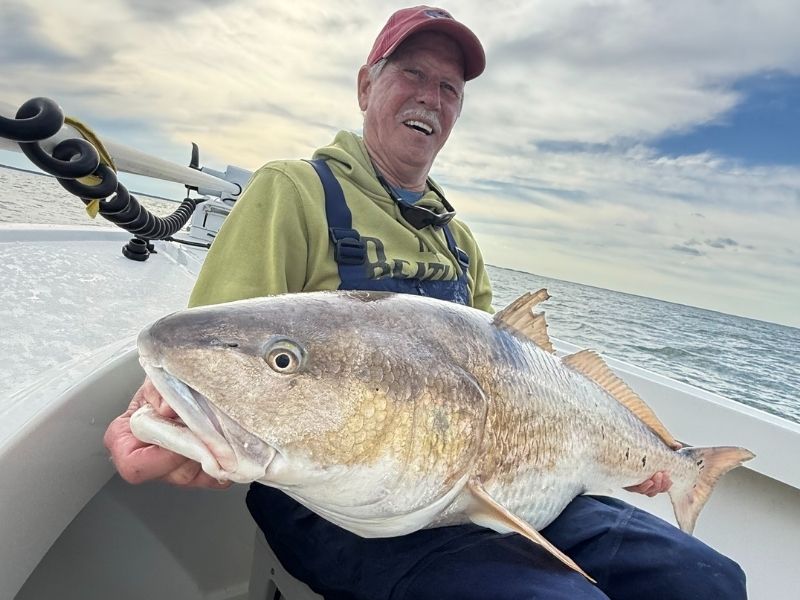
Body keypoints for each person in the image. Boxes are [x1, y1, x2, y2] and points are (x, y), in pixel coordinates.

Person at [104, 6, 746, 599]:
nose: (429, 98)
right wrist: (163, 416)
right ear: (365, 87)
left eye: (449, 89)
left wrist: (641, 459)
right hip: (341, 504)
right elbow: (222, 350)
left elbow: (513, 367)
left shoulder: (459, 241)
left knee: (708, 580)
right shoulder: (294, 191)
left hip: (491, 487)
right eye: (412, 74)